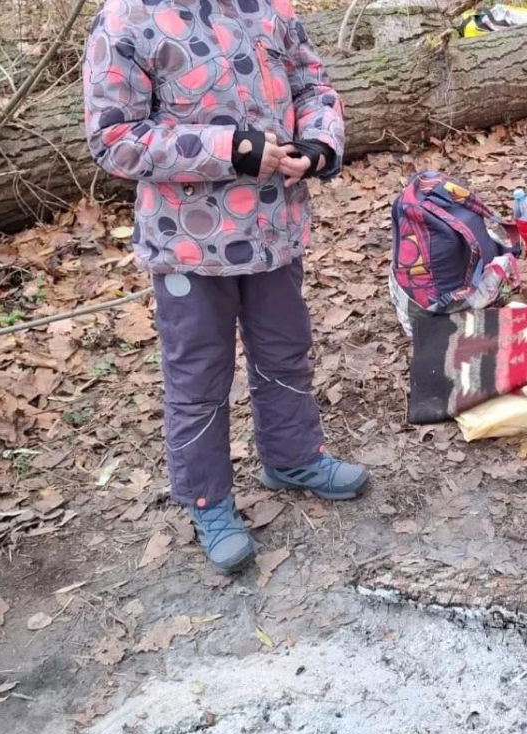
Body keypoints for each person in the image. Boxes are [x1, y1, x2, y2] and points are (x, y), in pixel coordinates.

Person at [83, 0, 368, 574]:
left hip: (274, 231)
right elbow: (113, 138)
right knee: (198, 379)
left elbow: (313, 85)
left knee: (284, 354)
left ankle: (293, 459)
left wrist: (318, 144)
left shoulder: (268, 9)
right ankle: (207, 500)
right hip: (188, 245)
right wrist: (230, 150)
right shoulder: (126, 20)